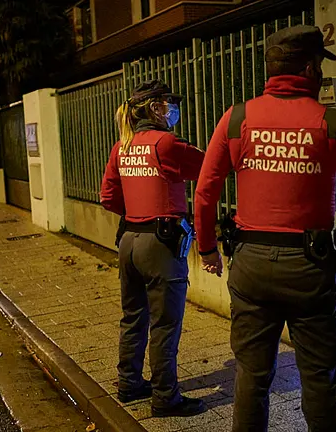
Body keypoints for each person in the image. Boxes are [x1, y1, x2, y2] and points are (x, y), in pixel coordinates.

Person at [193, 25, 336, 431]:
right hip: (311, 269)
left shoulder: (237, 118)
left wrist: (208, 247)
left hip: (252, 266)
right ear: (309, 67)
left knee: (252, 375)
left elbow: (205, 192)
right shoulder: (335, 123)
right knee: (320, 377)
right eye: (318, 64)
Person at [100, 80, 208, 417]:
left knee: (133, 318)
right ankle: (165, 398)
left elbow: (107, 197)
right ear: (153, 108)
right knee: (164, 324)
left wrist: (137, 213)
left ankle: (129, 383)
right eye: (167, 103)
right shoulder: (166, 143)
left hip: (129, 240)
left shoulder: (123, 146)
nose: (172, 109)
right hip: (161, 245)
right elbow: (208, 166)